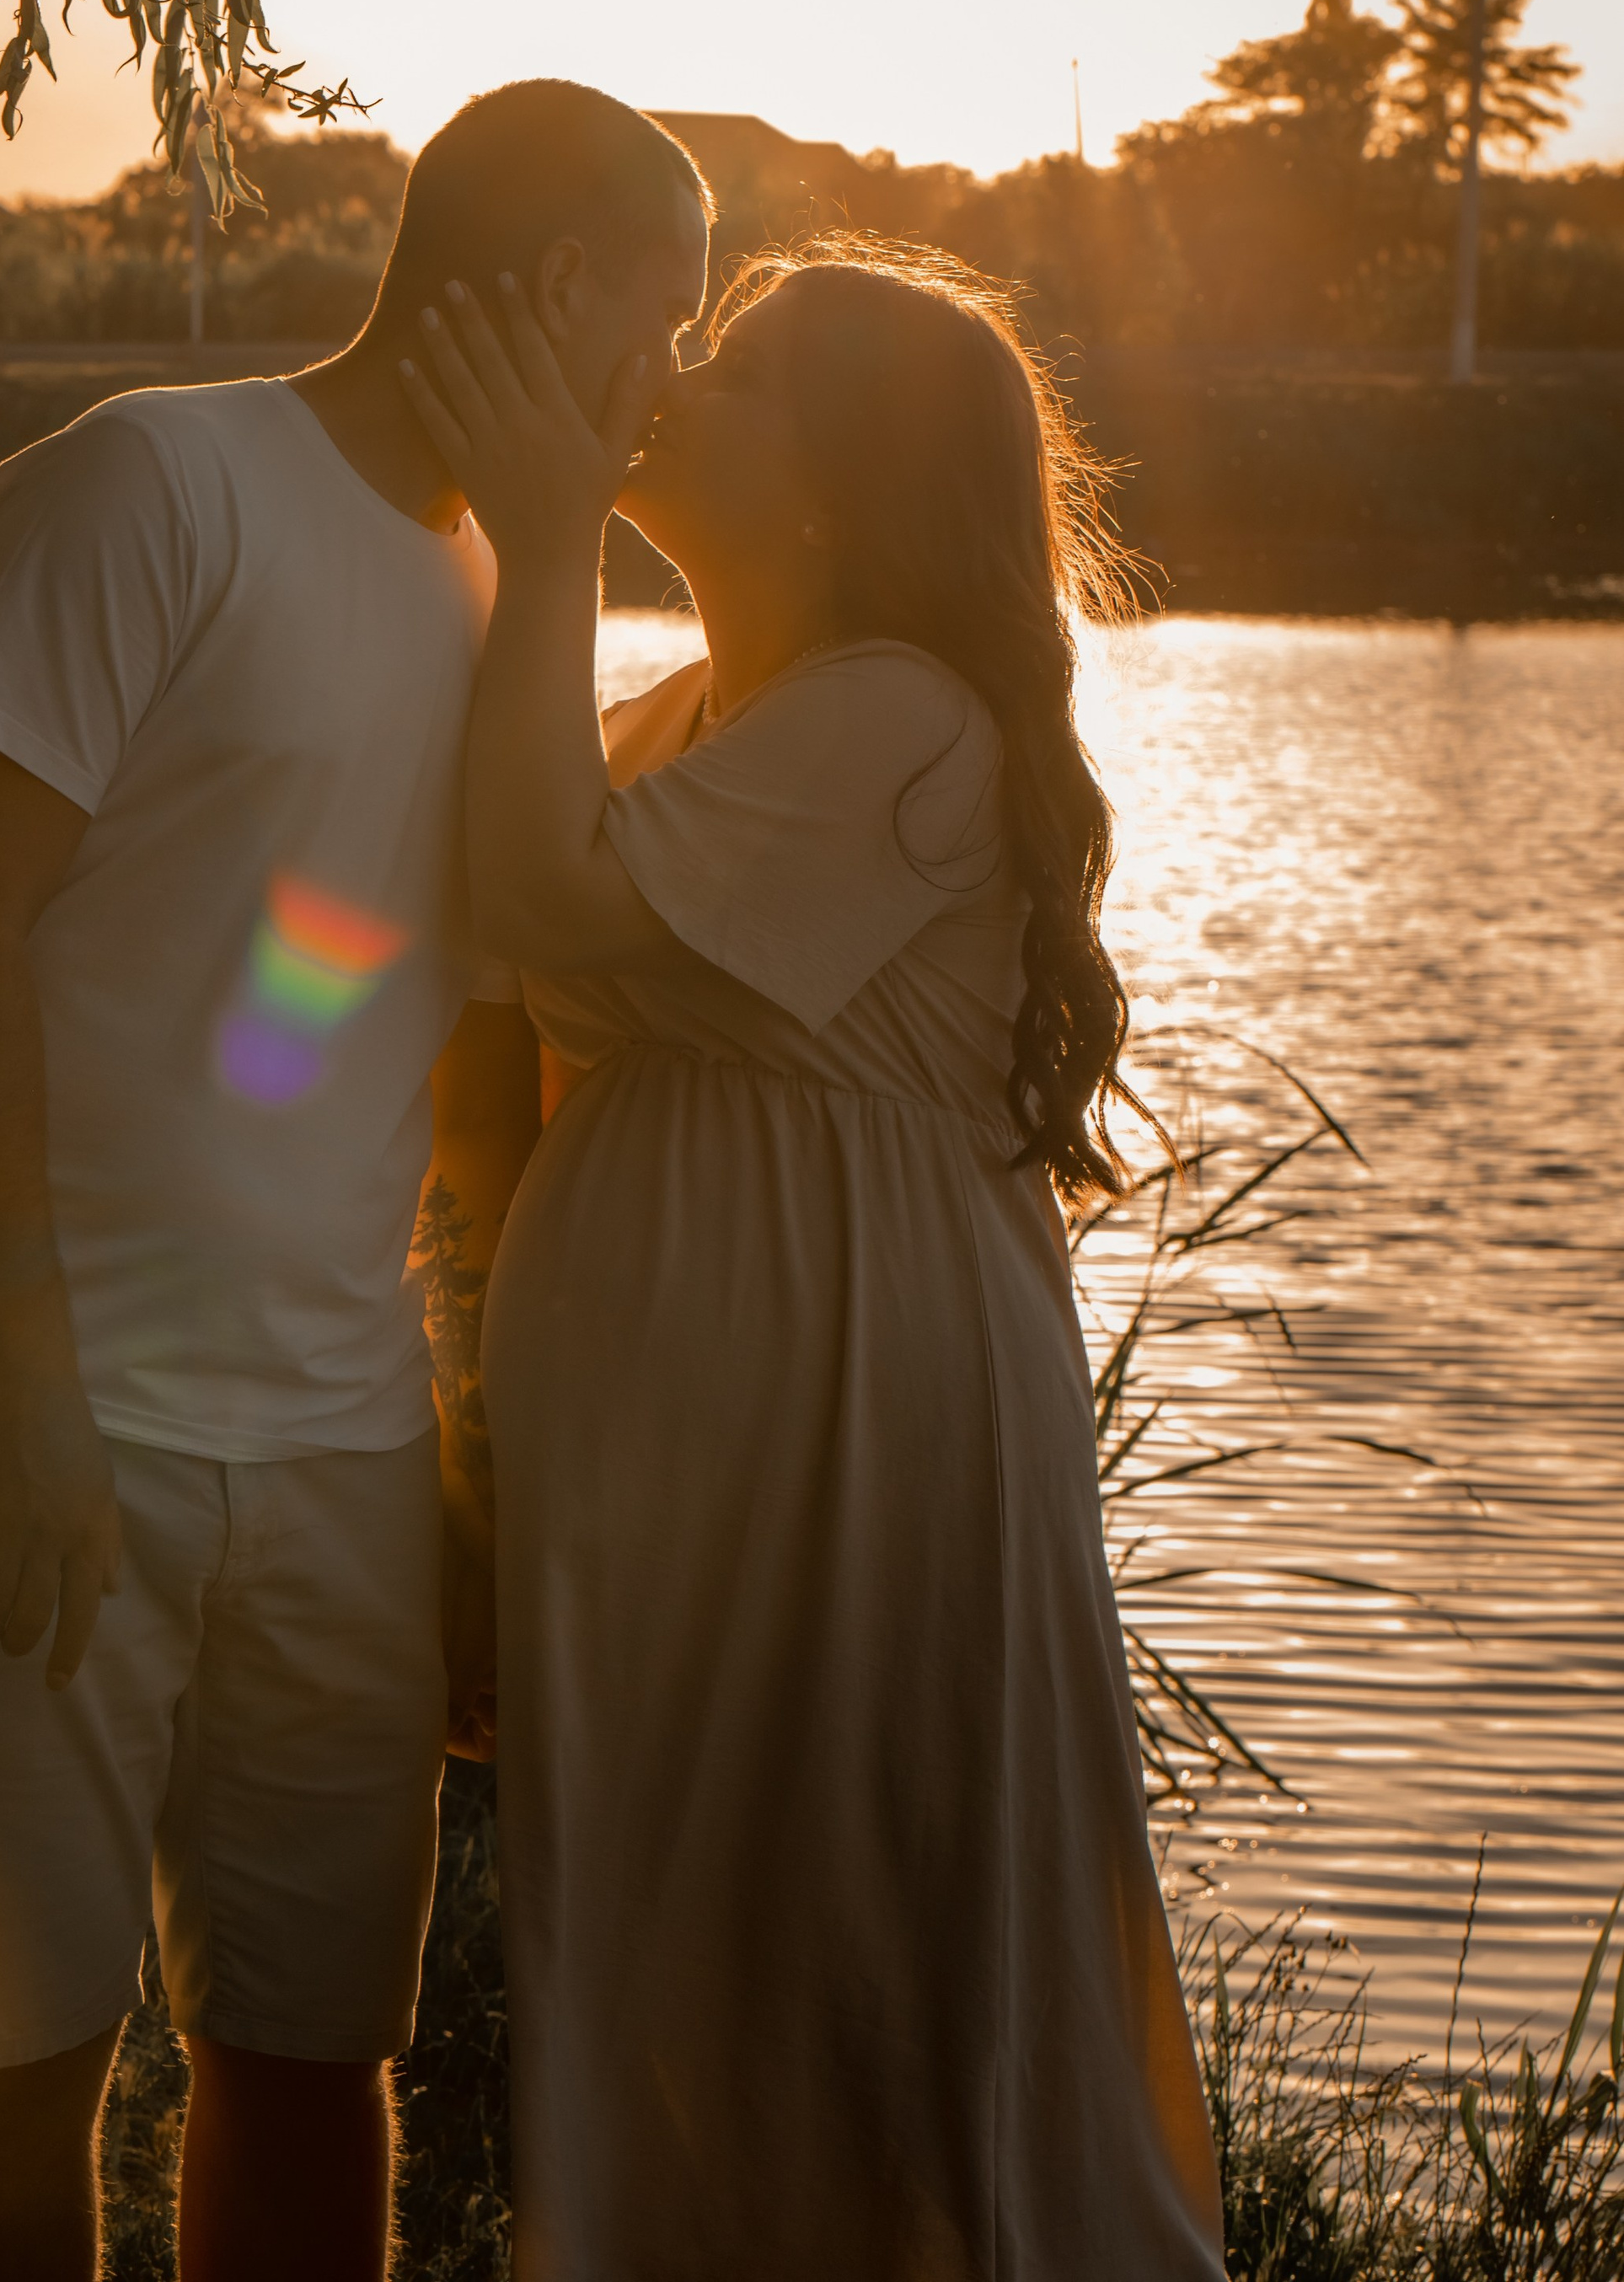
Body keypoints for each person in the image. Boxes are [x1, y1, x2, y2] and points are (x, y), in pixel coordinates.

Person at [0, 78, 712, 2282]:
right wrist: (27, 1386)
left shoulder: (518, 593)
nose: (664, 389)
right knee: (18, 2054)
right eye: (657, 324)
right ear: (562, 281)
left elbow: (471, 1064)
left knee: (316, 2055)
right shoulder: (152, 481)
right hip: (13, 1401)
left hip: (335, 1450)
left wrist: (465, 1498)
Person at [398, 239, 1227, 2281]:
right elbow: (476, 1006)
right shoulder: (681, 715)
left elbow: (532, 895)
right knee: (692, 1978)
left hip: (858, 1449)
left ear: (831, 492)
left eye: (743, 368)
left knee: (868, 1964)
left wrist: (533, 520)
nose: (677, 366)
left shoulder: (901, 728)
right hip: (684, 1484)